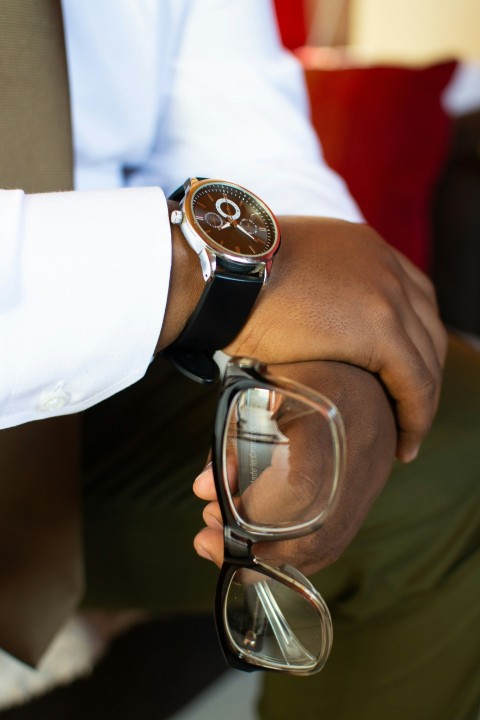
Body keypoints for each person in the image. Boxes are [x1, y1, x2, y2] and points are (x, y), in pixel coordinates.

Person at [0, 2, 478, 719]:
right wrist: (187, 272)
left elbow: (248, 129)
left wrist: (337, 355)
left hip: (115, 359)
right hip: (92, 308)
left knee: (463, 440)